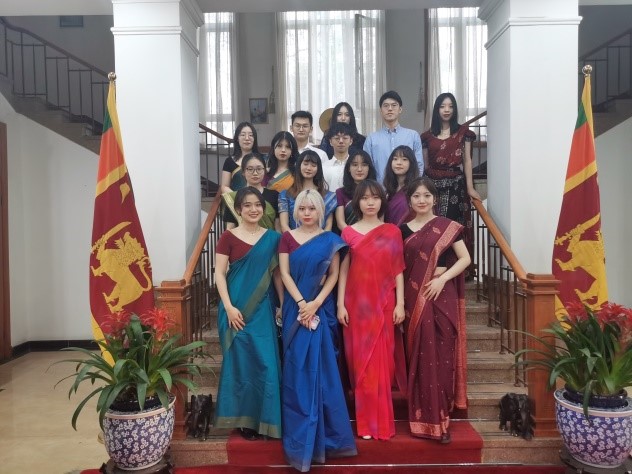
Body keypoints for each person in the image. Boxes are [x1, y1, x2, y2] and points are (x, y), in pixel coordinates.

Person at [279, 189, 357, 472]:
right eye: (302, 209)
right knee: (297, 370)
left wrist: (315, 304)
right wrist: (302, 304)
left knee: (322, 372)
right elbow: (284, 273)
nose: (307, 213)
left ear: (321, 211)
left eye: (312, 208)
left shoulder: (330, 240)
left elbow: (334, 275)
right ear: (296, 212)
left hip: (320, 311)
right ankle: (300, 439)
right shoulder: (287, 238)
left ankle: (328, 438)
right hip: (295, 310)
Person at [400, 177, 471, 443]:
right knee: (420, 358)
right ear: (409, 200)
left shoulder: (446, 227)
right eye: (417, 196)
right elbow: (398, 269)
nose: (422, 200)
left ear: (434, 199)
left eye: (427, 195)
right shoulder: (401, 230)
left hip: (441, 296)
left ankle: (441, 419)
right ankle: (423, 418)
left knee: (441, 357)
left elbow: (465, 258)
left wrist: (443, 278)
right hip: (413, 300)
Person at [337, 180, 406, 440]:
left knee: (383, 364)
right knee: (361, 365)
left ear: (382, 202)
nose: (370, 203)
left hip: (385, 303)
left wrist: (400, 303)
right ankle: (365, 424)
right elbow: (343, 270)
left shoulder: (392, 231)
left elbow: (397, 269)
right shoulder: (348, 233)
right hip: (356, 306)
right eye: (365, 198)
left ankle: (382, 421)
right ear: (357, 202)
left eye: (375, 198)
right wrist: (340, 303)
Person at [214, 187, 284, 440]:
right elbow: (219, 273)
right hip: (235, 309)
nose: (253, 209)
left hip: (263, 308)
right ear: (238, 209)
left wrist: (282, 305)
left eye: (258, 205)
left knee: (266, 364)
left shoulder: (273, 238)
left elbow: (277, 275)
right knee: (241, 365)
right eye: (247, 205)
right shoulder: (228, 237)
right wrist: (229, 307)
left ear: (264, 208)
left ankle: (266, 419)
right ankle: (245, 421)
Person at [421, 93, 481, 271]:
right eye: (442, 106)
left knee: (451, 227)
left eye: (450, 106)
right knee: (431, 226)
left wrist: (470, 187)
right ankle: (433, 267)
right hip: (432, 186)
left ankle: (454, 269)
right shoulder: (427, 136)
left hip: (455, 186)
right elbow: (425, 165)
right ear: (436, 109)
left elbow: (467, 161)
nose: (446, 110)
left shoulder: (463, 133)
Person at [363, 91, 423, 182]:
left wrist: (413, 187)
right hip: (380, 189)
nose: (390, 109)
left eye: (394, 105)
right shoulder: (371, 139)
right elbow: (367, 167)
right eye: (386, 106)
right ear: (381, 110)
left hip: (407, 188)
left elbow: (419, 166)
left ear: (400, 109)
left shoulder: (413, 136)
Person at [278, 150, 336, 232]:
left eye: (313, 165)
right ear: (299, 166)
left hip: (321, 238)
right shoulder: (286, 195)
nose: (309, 168)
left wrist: (322, 239)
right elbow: (284, 225)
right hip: (294, 238)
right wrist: (295, 238)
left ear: (318, 169)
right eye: (305, 164)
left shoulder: (328, 196)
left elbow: (328, 225)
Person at [223, 153, 279, 231]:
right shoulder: (234, 197)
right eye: (250, 169)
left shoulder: (275, 195)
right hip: (241, 238)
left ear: (264, 171)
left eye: (259, 169)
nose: (255, 173)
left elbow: (278, 228)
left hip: (270, 238)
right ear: (243, 172)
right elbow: (230, 228)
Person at [334, 150, 377, 231]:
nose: (359, 169)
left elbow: (380, 219)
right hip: (349, 236)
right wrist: (354, 235)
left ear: (369, 168)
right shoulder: (341, 192)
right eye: (355, 165)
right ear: (349, 168)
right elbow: (340, 223)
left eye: (364, 165)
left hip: (373, 235)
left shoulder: (377, 191)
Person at [383, 145, 420, 225]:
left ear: (411, 163)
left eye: (404, 159)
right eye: (395, 159)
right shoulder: (388, 191)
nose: (399, 163)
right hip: (389, 231)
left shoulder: (416, 189)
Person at [220, 122, 260, 194]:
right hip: (236, 199)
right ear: (237, 138)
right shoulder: (229, 161)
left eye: (251, 135)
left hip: (259, 200)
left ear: (254, 139)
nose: (247, 138)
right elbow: (224, 186)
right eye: (243, 135)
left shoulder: (263, 160)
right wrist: (239, 198)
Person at [322, 122, 353, 192]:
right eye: (337, 138)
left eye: (345, 138)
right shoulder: (323, 167)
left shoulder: (355, 166)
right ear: (330, 141)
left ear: (351, 141)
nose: (341, 141)